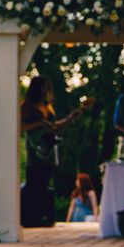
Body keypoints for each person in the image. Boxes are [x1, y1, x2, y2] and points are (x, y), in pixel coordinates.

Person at [20, 77, 93, 228]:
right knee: (34, 182)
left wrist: (71, 118)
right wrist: (40, 123)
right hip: (36, 148)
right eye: (45, 87)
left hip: (50, 149)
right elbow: (21, 127)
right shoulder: (28, 106)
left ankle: (42, 217)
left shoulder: (48, 106)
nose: (48, 90)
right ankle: (29, 218)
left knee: (45, 183)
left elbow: (54, 127)